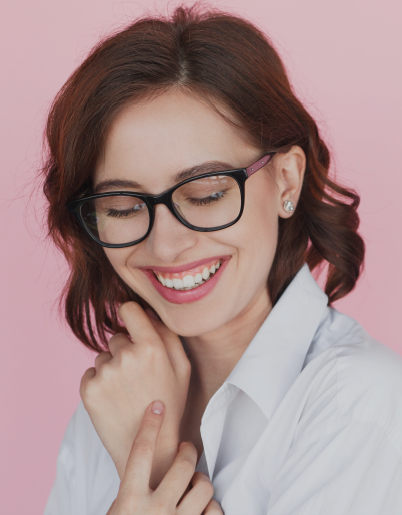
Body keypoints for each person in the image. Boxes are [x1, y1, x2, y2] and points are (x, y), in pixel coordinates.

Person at [42, 3, 402, 515]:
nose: (165, 246)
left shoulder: (363, 406)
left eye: (206, 193)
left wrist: (154, 464)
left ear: (287, 180)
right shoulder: (110, 402)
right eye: (123, 206)